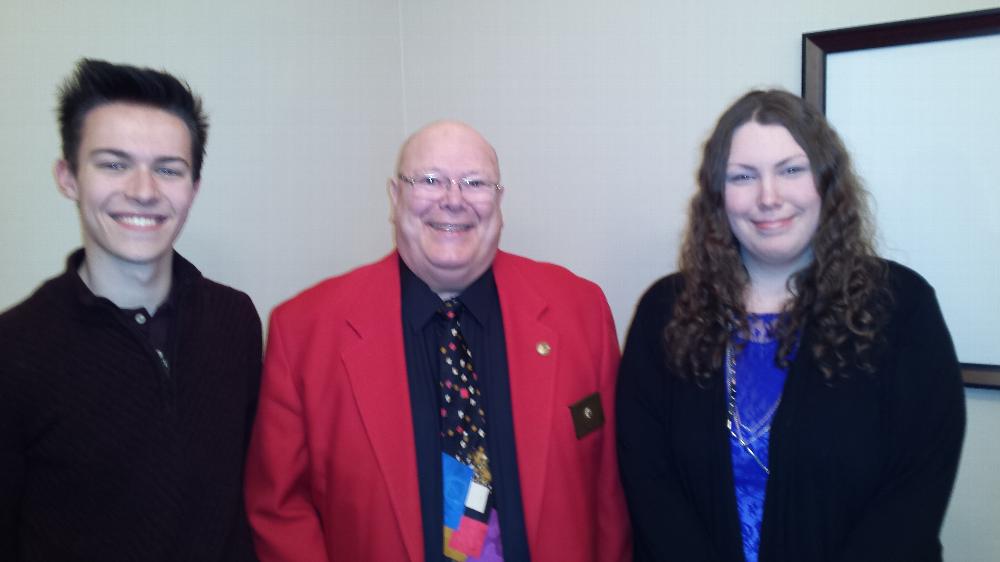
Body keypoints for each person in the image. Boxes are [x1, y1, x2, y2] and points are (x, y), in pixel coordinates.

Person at [245, 120, 630, 561]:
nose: (453, 199)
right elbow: (280, 510)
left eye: (475, 183)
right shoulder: (304, 331)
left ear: (499, 200)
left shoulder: (580, 312)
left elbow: (610, 495)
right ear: (395, 197)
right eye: (429, 180)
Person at [616, 89, 965, 562]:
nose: (768, 197)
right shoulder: (664, 311)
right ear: (718, 195)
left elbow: (916, 488)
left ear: (826, 182)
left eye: (791, 170)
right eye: (743, 176)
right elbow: (649, 482)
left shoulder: (902, 307)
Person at [0, 59, 261, 561]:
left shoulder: (235, 319)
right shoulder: (14, 349)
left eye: (168, 169)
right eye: (114, 164)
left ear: (193, 188)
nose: (143, 191)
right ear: (68, 177)